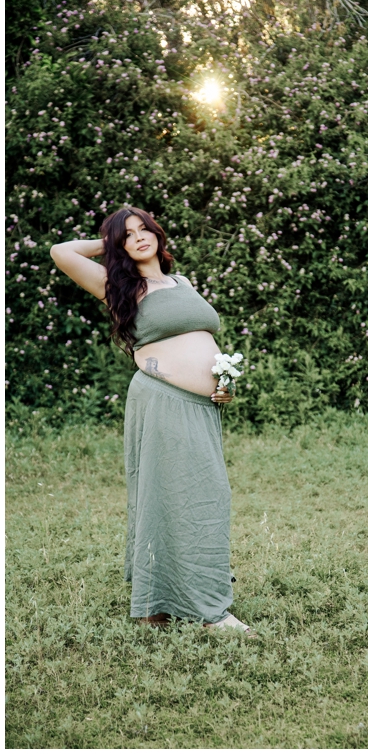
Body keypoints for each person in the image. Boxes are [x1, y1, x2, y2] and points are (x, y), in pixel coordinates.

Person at [51, 207, 251, 634]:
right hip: (162, 401)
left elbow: (199, 341)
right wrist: (107, 242)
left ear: (158, 234)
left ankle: (169, 601)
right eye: (128, 235)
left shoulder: (181, 282)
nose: (139, 237)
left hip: (201, 407)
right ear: (118, 247)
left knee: (205, 498)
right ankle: (202, 611)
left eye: (144, 229)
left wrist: (219, 382)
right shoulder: (119, 285)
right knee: (169, 497)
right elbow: (61, 251)